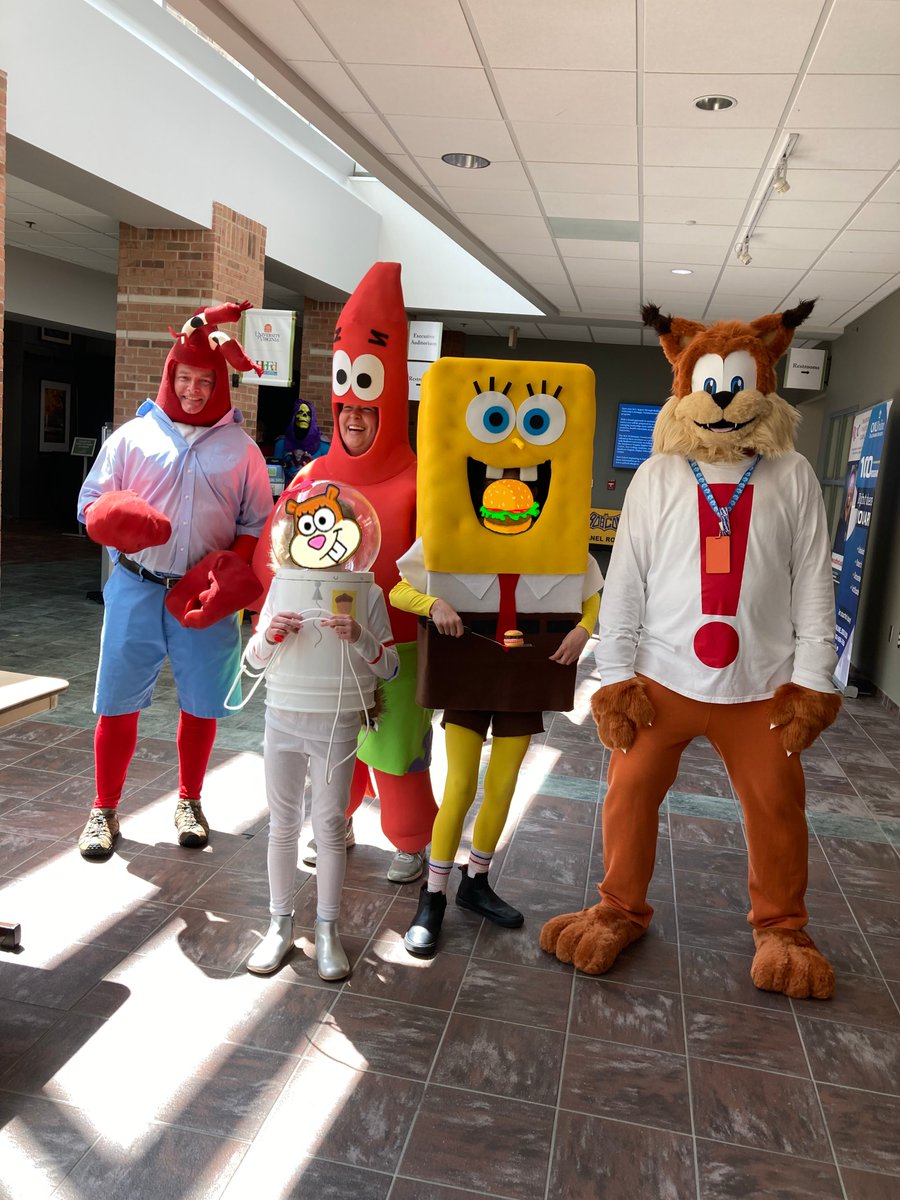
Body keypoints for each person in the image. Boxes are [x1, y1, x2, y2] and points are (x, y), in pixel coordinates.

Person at [391, 354, 602, 958]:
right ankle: (432, 894)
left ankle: (476, 881)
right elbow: (401, 589)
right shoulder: (447, 532)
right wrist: (433, 605)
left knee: (505, 783)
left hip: (525, 669)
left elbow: (593, 595)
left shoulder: (559, 538)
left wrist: (583, 631)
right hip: (468, 664)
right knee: (459, 783)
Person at [252, 263, 437, 885]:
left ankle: (412, 840)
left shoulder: (420, 481)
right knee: (335, 751)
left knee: (396, 752)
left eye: (367, 405)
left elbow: (439, 566)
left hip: (397, 645)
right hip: (321, 647)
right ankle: (337, 824)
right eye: (345, 405)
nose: (354, 416)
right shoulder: (310, 478)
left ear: (389, 403)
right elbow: (276, 554)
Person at [76, 302, 272, 859]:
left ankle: (190, 800)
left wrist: (234, 569)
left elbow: (257, 522)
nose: (192, 390)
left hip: (204, 593)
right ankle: (103, 808)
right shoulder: (132, 437)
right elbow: (88, 502)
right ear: (171, 375)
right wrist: (109, 517)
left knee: (203, 703)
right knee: (116, 701)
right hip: (135, 584)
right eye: (184, 378)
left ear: (218, 383)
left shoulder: (243, 450)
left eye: (203, 380)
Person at [244, 483, 398, 979]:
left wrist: (361, 636)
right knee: (283, 823)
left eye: (332, 526)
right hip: (283, 715)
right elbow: (252, 661)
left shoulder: (367, 592)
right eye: (308, 527)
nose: (319, 537)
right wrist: (271, 634)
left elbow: (391, 666)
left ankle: (328, 929)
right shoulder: (281, 586)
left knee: (330, 824)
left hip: (337, 719)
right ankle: (279, 924)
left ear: (350, 533)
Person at [272, 397, 329, 486]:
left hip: (312, 491)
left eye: (308, 414)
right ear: (295, 416)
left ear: (312, 418)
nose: (304, 416)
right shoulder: (281, 444)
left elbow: (327, 476)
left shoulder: (323, 446)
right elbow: (275, 475)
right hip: (286, 490)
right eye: (300, 412)